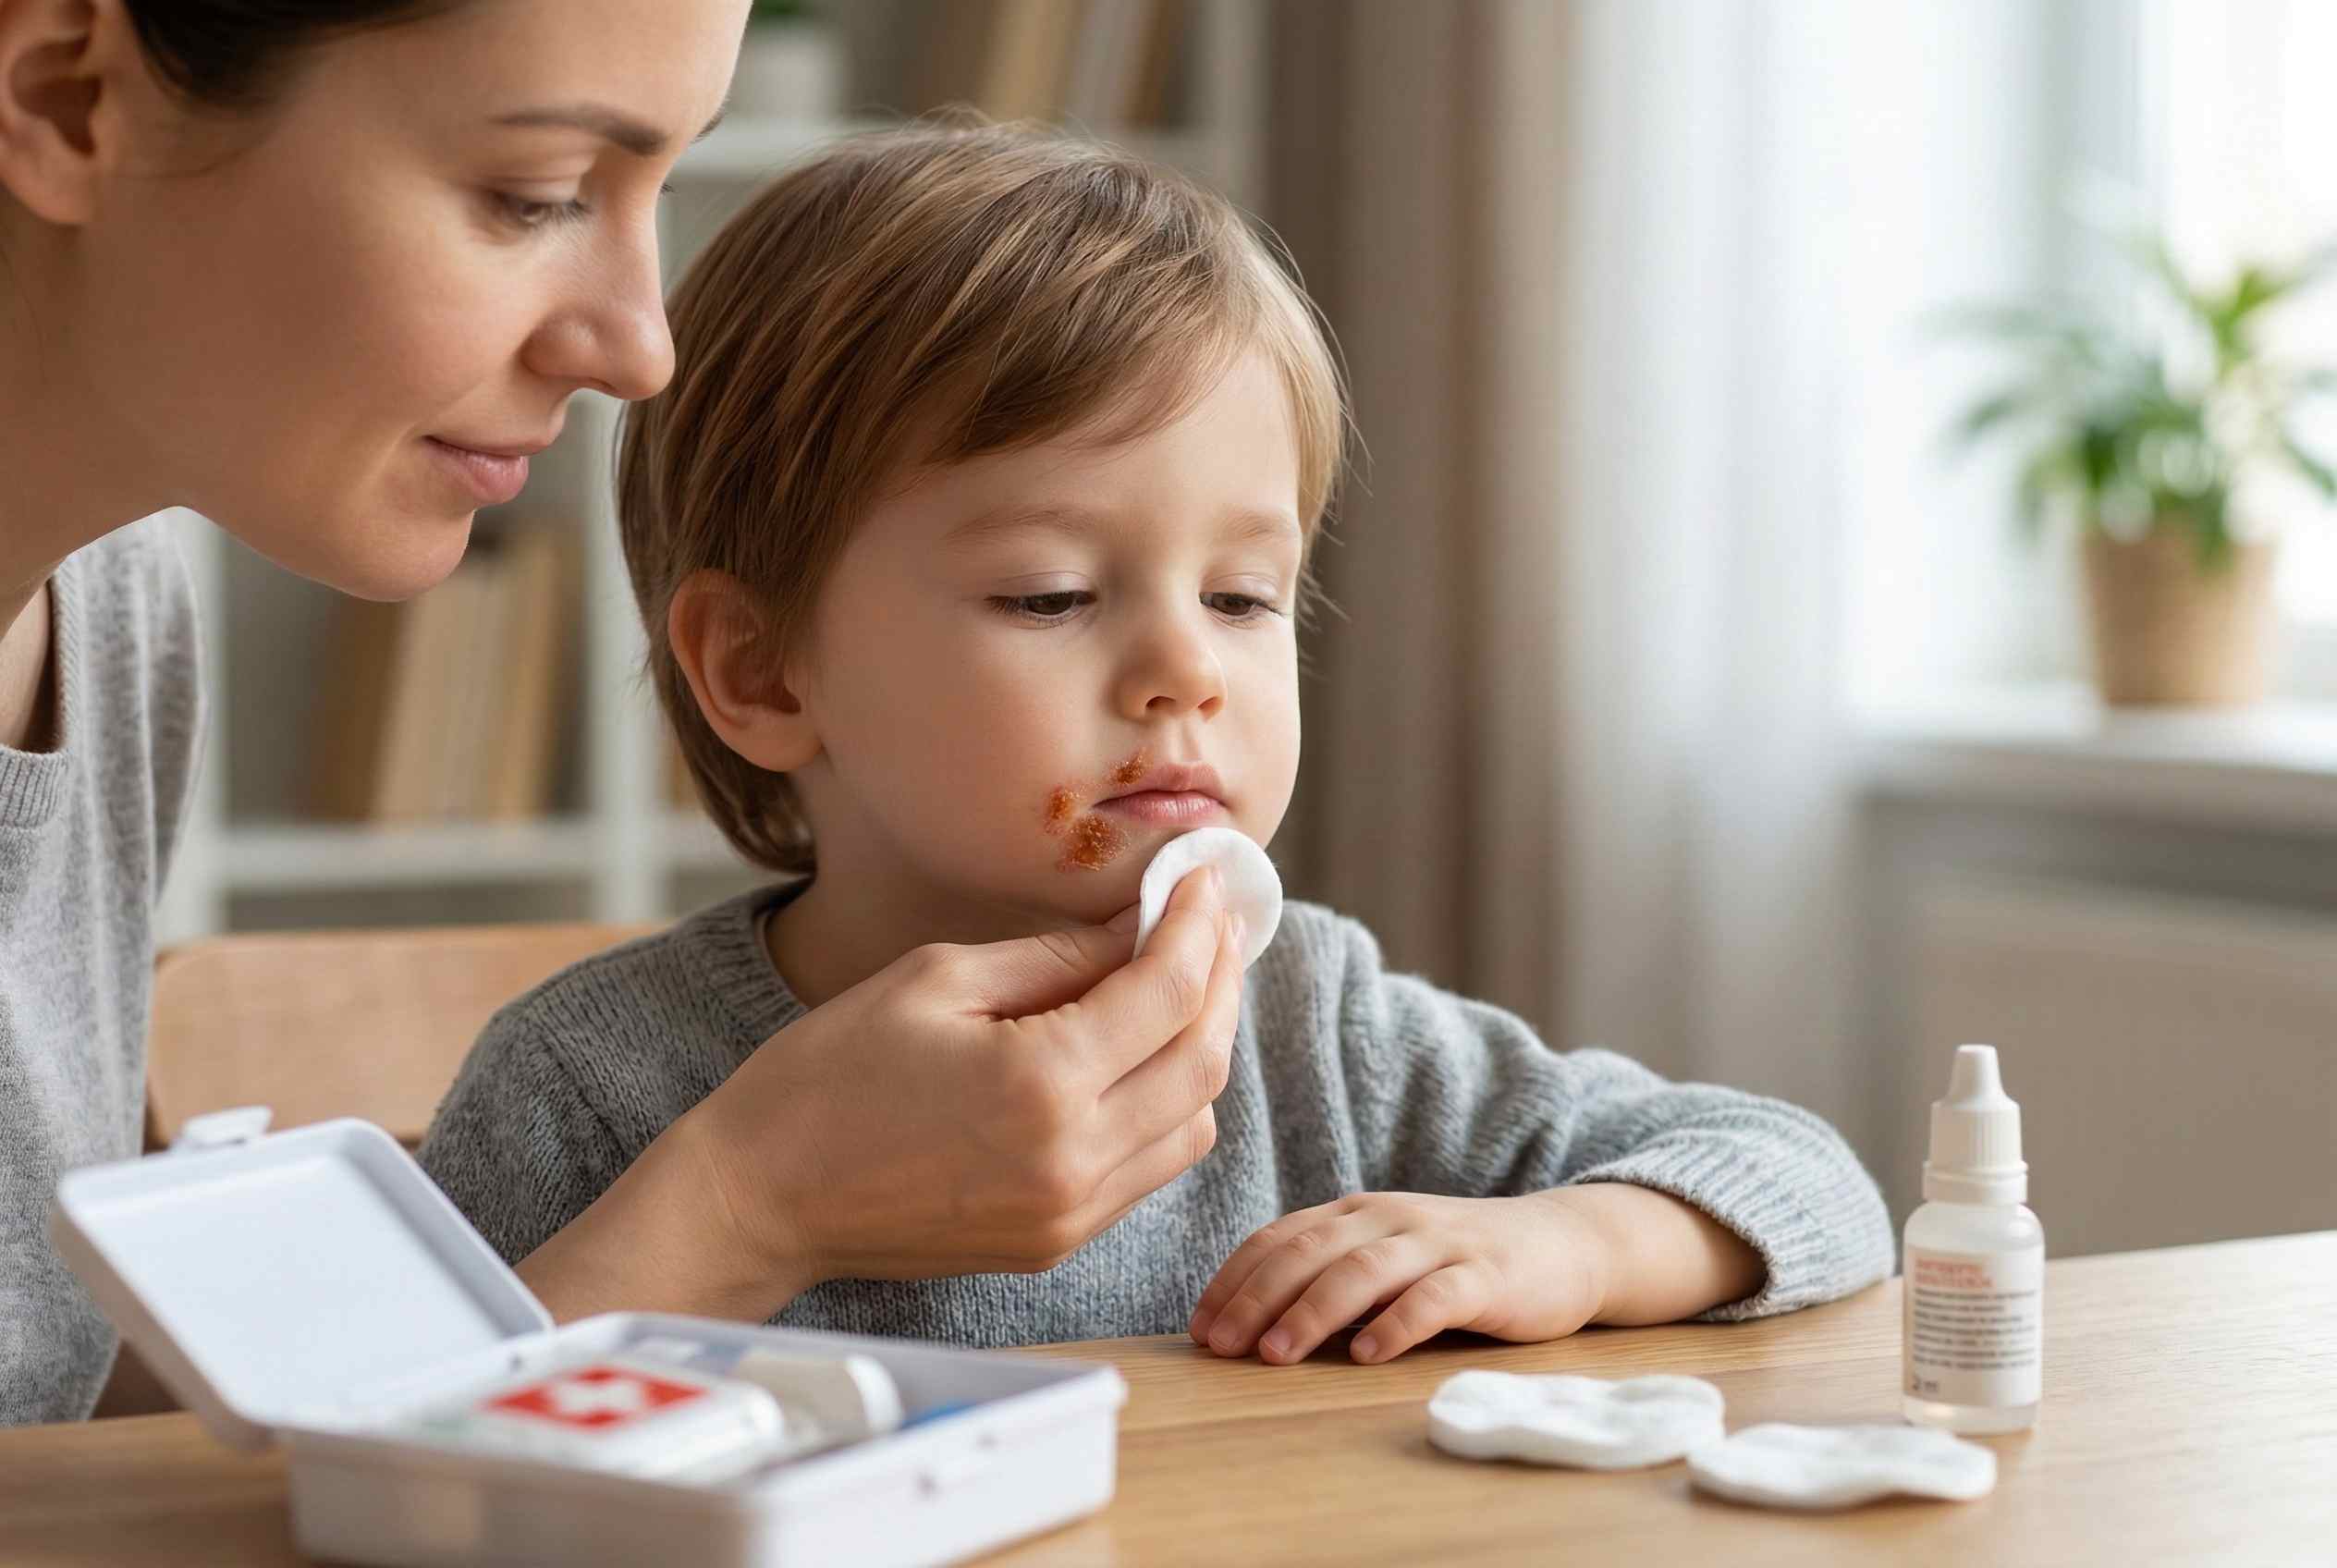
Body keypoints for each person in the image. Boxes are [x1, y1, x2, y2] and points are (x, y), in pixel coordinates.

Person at [419, 122, 1896, 1366]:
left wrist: (1571, 1242)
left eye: (1246, 595)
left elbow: (1807, 1181)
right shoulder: (593, 1081)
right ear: (762, 672)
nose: (1188, 667)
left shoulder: (1314, 1025)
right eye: (1052, 594)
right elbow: (367, 1460)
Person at [1, 0, 1225, 1427]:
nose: (641, 350)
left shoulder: (108, 601)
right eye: (538, 197)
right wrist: (746, 1206)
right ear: (72, 96)